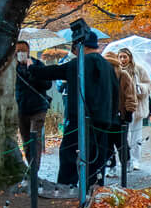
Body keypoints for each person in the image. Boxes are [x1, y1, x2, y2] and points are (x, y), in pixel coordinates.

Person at [37, 22, 120, 189]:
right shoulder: (107, 65)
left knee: (69, 153)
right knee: (97, 157)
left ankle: (66, 186)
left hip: (80, 119)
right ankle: (95, 187)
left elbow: (54, 71)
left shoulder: (79, 64)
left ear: (79, 45)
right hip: (103, 120)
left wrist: (32, 68)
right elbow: (116, 92)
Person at [14, 40, 52, 172]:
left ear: (28, 52)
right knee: (26, 141)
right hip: (21, 108)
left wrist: (32, 70)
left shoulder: (37, 64)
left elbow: (47, 84)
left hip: (38, 108)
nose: (20, 54)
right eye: (18, 51)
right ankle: (30, 169)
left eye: (23, 51)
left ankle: (34, 171)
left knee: (34, 139)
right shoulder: (12, 68)